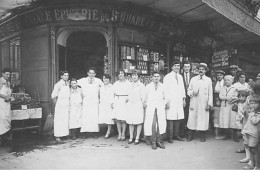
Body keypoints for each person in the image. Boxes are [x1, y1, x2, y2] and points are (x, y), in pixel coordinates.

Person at [186, 63, 213, 142]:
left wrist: (209, 104)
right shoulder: (193, 79)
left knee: (203, 119)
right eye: (199, 69)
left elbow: (210, 93)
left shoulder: (208, 80)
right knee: (192, 118)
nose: (201, 71)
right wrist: (192, 93)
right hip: (194, 101)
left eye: (203, 69)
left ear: (205, 71)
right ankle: (190, 135)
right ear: (197, 70)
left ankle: (202, 136)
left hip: (203, 102)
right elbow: (189, 90)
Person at [144, 71, 168, 150]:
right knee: (152, 124)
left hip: (160, 107)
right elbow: (145, 97)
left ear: (160, 77)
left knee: (160, 124)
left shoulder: (163, 86)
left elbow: (166, 97)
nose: (156, 78)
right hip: (151, 107)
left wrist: (163, 104)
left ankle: (159, 141)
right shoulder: (148, 86)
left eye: (158, 76)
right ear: (152, 77)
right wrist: (146, 103)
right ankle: (153, 142)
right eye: (155, 76)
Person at [163, 60, 186, 143]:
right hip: (171, 100)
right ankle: (170, 137)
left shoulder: (180, 76)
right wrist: (167, 102)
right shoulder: (167, 77)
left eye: (178, 66)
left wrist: (183, 99)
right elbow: (165, 90)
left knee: (178, 118)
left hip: (179, 100)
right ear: (172, 67)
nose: (177, 67)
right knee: (170, 119)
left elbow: (183, 88)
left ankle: (176, 135)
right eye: (175, 65)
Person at [78, 67, 103, 138]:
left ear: (95, 74)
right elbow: (74, 83)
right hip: (86, 101)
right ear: (87, 73)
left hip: (95, 101)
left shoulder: (98, 81)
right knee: (85, 116)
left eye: (93, 73)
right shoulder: (83, 80)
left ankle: (94, 133)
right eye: (90, 73)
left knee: (94, 117)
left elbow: (104, 87)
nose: (91, 74)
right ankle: (84, 133)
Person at [126, 71, 146, 145]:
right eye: (133, 75)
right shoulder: (129, 85)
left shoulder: (141, 85)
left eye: (136, 75)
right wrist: (127, 99)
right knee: (131, 122)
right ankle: (131, 137)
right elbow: (127, 94)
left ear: (138, 77)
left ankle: (137, 138)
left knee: (138, 122)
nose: (134, 77)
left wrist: (142, 103)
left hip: (138, 105)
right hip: (130, 105)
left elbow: (143, 97)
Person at [242, 94, 260, 170]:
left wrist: (252, 113)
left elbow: (254, 121)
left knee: (254, 149)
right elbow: (247, 122)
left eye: (255, 103)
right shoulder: (252, 112)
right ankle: (252, 164)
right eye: (251, 103)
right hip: (248, 132)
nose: (252, 105)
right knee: (250, 148)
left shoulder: (258, 113)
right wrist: (244, 131)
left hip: (254, 134)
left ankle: (257, 166)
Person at [112, 69, 131, 141]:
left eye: (122, 73)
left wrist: (128, 98)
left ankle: (123, 134)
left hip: (125, 101)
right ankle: (119, 133)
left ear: (124, 74)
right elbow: (112, 93)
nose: (121, 75)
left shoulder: (128, 83)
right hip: (117, 101)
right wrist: (112, 102)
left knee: (124, 119)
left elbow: (131, 93)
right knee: (118, 119)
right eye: (119, 74)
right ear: (117, 75)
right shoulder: (115, 84)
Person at [218, 75, 239, 141]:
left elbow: (236, 96)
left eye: (228, 80)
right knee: (225, 120)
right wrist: (227, 98)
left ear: (232, 81)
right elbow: (220, 96)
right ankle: (226, 135)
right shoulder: (222, 88)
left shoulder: (234, 88)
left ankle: (235, 136)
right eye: (225, 80)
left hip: (231, 106)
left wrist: (233, 98)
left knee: (232, 120)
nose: (227, 81)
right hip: (224, 106)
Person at [51, 70, 70, 142]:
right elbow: (53, 96)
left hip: (66, 104)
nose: (66, 77)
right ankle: (57, 136)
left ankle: (64, 134)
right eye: (64, 75)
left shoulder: (68, 84)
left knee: (65, 120)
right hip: (60, 105)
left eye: (67, 75)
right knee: (59, 120)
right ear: (61, 76)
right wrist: (57, 105)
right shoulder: (58, 84)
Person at [180, 61, 195, 138]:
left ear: (190, 67)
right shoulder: (180, 76)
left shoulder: (194, 76)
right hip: (182, 98)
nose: (186, 68)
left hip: (192, 98)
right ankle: (182, 132)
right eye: (185, 67)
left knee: (191, 115)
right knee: (183, 115)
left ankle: (190, 132)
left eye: (188, 67)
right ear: (183, 67)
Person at [99, 74, 114, 139]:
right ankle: (102, 131)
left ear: (109, 79)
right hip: (102, 103)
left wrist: (112, 103)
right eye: (104, 78)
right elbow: (99, 95)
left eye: (107, 78)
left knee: (109, 118)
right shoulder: (101, 87)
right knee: (103, 117)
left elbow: (113, 96)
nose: (105, 80)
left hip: (109, 104)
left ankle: (108, 132)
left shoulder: (112, 87)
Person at [211, 70, 225, 139]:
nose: (219, 76)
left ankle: (223, 133)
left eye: (220, 75)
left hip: (223, 102)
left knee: (223, 117)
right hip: (215, 102)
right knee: (216, 118)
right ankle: (216, 134)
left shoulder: (225, 83)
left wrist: (220, 91)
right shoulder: (214, 83)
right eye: (218, 75)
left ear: (223, 76)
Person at [0, 68, 12, 146]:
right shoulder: (0, 81)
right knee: (2, 119)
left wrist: (9, 97)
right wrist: (4, 97)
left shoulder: (8, 83)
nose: (8, 76)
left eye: (9, 75)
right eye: (6, 74)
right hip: (0, 103)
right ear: (3, 74)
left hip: (7, 104)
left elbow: (9, 92)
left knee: (7, 119)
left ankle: (5, 137)